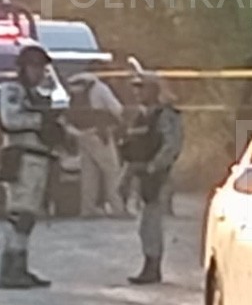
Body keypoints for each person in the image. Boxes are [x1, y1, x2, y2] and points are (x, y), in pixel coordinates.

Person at [0, 42, 71, 288]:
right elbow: (10, 119)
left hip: (39, 160)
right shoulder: (12, 90)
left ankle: (20, 267)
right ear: (23, 67)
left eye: (42, 67)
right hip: (21, 158)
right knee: (19, 215)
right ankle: (10, 270)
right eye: (34, 67)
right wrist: (41, 120)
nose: (39, 72)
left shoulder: (40, 95)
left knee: (29, 216)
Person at [119, 73, 183, 284]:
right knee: (145, 224)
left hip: (157, 175)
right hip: (142, 173)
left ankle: (152, 267)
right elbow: (132, 148)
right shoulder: (140, 116)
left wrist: (154, 167)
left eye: (142, 88)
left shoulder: (165, 115)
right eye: (136, 88)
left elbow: (171, 145)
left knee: (152, 223)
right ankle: (149, 264)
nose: (138, 92)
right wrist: (127, 176)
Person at [65, 72, 126, 217]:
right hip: (99, 134)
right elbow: (117, 108)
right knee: (111, 172)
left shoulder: (74, 85)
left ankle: (87, 209)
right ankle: (117, 208)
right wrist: (119, 123)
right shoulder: (99, 87)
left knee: (89, 174)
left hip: (81, 135)